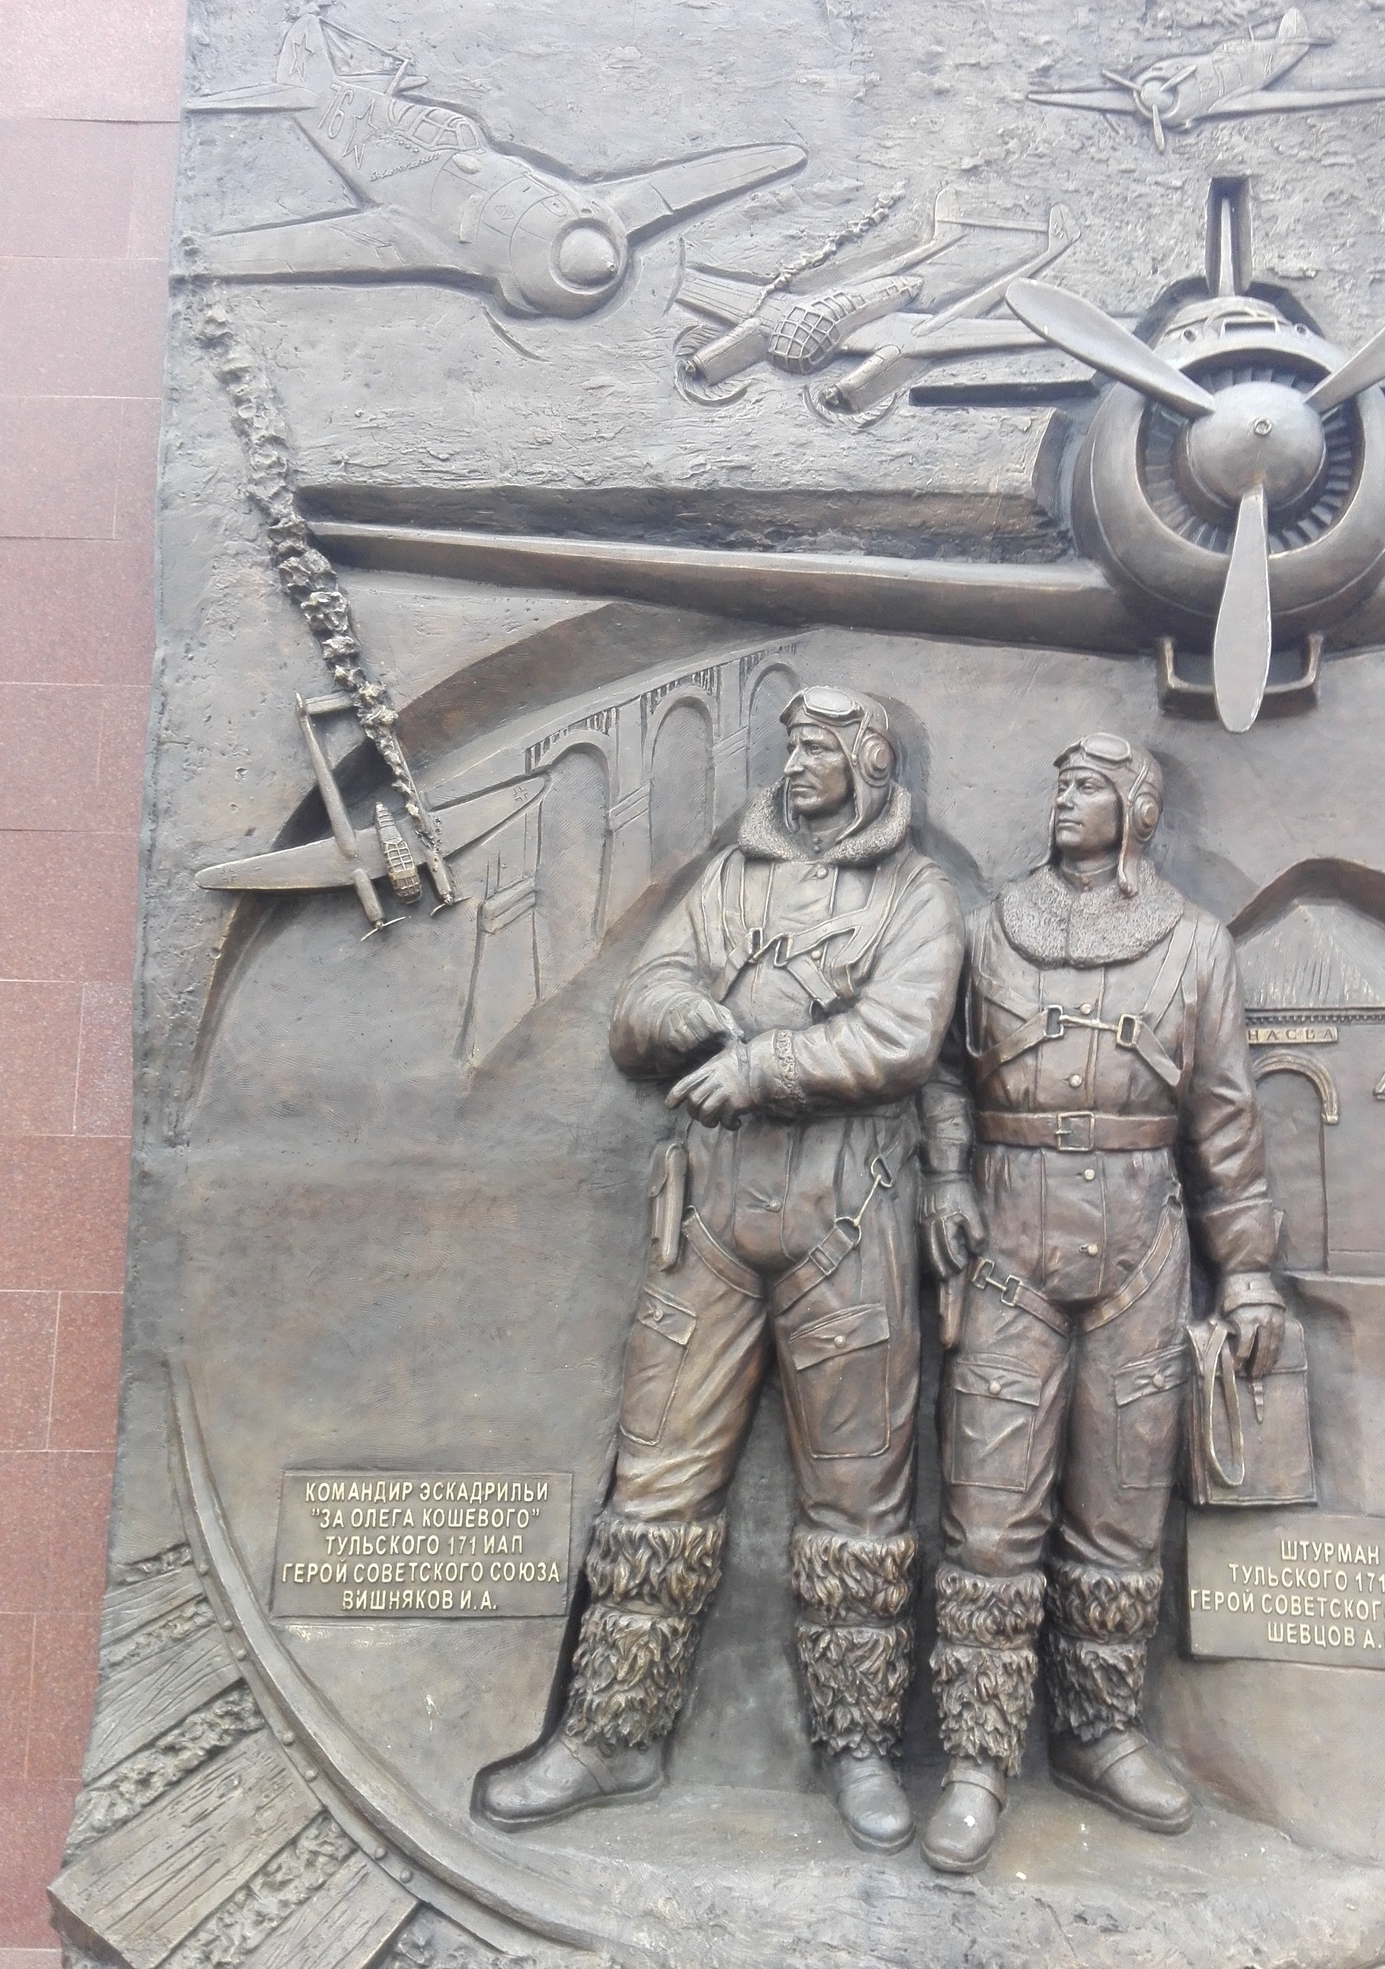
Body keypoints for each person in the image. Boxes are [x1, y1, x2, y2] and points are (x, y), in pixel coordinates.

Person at [475, 686, 964, 1853]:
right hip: (708, 1217)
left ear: (868, 762)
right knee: (656, 1477)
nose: (794, 765)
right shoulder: (732, 878)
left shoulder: (918, 895)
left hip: (846, 1217)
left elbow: (903, 1039)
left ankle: (856, 1745)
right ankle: (612, 1729)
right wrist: (687, 1018)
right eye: (786, 746)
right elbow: (637, 1009)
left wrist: (765, 1066)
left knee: (859, 1494)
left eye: (817, 749)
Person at [916, 732, 1284, 1874]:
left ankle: (1095, 1731)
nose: (1063, 801)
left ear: (1135, 810)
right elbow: (938, 1073)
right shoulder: (991, 927)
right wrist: (943, 1172)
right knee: (988, 1503)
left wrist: (1252, 1271)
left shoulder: (1194, 947)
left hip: (1141, 1240)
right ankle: (978, 1753)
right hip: (1009, 1233)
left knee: (1121, 1505)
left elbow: (1224, 1124)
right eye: (1058, 783)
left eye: (1087, 787)